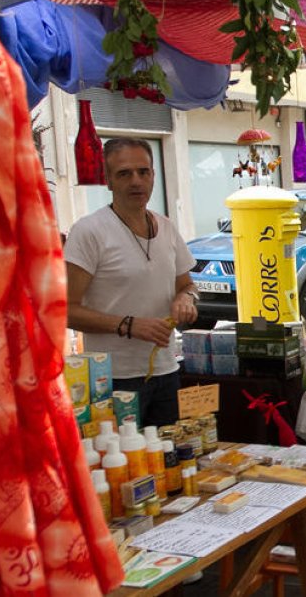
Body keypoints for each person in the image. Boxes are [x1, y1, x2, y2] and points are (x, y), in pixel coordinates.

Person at [65, 137, 198, 428]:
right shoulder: (89, 231)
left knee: (173, 462)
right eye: (124, 174)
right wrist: (129, 325)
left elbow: (187, 285)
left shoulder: (166, 227)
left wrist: (185, 298)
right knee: (125, 467)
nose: (136, 181)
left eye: (143, 171)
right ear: (108, 181)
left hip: (166, 371)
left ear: (153, 175)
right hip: (112, 380)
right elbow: (65, 310)